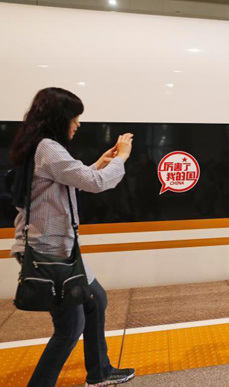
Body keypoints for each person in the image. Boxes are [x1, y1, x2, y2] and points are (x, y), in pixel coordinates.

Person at [9, 88, 135, 387]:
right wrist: (122, 159)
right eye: (74, 118)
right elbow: (93, 184)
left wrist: (99, 163)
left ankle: (100, 372)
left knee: (97, 300)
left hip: (59, 249)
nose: (77, 124)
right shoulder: (48, 147)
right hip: (48, 251)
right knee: (70, 328)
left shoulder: (38, 146)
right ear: (58, 118)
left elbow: (66, 183)